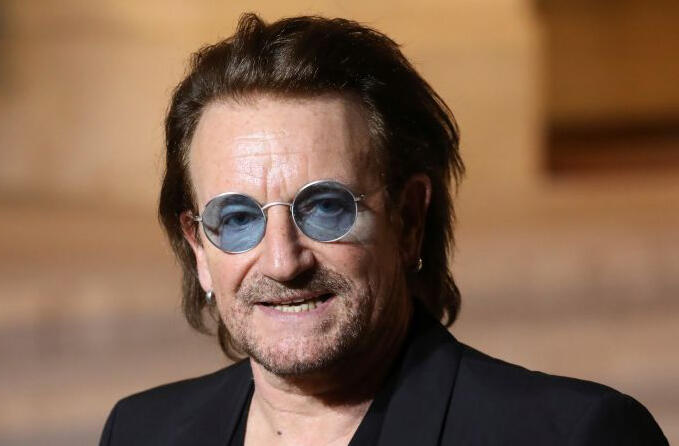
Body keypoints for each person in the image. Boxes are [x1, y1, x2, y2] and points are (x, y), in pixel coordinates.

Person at [100, 13, 667, 445]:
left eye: (325, 208)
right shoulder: (141, 431)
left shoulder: (572, 435)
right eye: (238, 218)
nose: (282, 261)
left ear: (409, 219)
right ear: (199, 249)